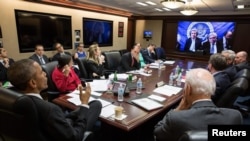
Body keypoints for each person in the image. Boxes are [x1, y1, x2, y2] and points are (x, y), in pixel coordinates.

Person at [7, 58, 102, 141]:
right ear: (33, 83)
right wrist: (84, 103)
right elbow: (74, 137)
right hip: (71, 134)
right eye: (41, 72)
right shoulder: (50, 109)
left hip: (56, 128)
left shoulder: (16, 101)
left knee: (95, 104)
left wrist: (67, 118)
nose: (45, 74)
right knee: (93, 106)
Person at [154, 68, 243, 141]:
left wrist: (178, 109)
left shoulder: (175, 117)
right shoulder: (235, 116)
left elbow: (157, 134)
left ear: (188, 89)